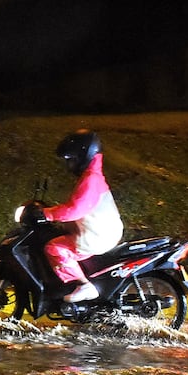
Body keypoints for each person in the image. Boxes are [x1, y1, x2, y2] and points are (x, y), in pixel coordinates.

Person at [41, 129, 123, 303]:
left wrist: (47, 214)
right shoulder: (92, 176)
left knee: (54, 248)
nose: (69, 165)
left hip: (97, 236)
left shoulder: (90, 179)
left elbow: (75, 210)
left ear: (83, 156)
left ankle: (84, 285)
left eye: (72, 160)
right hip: (99, 230)